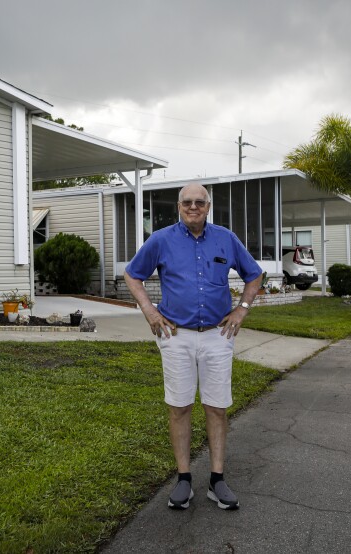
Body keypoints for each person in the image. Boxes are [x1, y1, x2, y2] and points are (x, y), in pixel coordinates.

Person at [123, 182, 263, 511]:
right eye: (187, 202)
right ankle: (184, 480)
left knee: (216, 407)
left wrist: (242, 310)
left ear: (208, 206)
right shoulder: (160, 240)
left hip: (218, 336)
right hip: (176, 337)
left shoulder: (225, 238)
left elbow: (253, 276)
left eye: (200, 202)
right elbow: (133, 275)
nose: (193, 207)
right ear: (178, 206)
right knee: (179, 406)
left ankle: (217, 480)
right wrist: (149, 309)